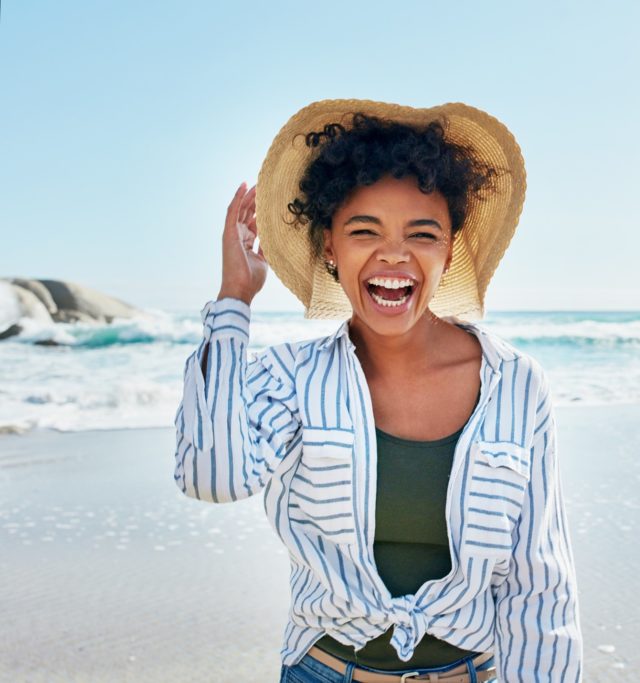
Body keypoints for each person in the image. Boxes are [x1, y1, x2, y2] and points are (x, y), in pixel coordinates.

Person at [173, 100, 582, 683]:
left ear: (449, 249)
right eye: (364, 230)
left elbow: (539, 584)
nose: (393, 253)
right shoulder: (290, 379)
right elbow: (209, 477)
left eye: (423, 232)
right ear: (330, 248)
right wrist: (234, 300)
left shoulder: (516, 384)